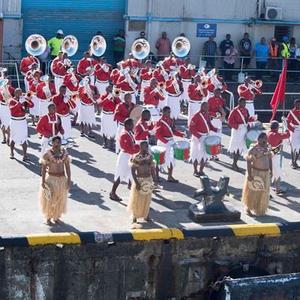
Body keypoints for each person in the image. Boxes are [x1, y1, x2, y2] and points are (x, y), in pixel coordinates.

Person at [40, 136, 71, 225]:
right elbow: (43, 168)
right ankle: (48, 218)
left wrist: (69, 180)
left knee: (60, 199)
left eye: (59, 142)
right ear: (52, 143)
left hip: (62, 179)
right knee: (49, 199)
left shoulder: (64, 153)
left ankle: (56, 217)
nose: (58, 144)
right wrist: (42, 181)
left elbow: (68, 167)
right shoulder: (47, 154)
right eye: (56, 142)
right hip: (51, 179)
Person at [242, 132, 272, 216]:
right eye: (264, 139)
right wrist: (249, 174)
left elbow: (270, 159)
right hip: (256, 173)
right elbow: (248, 162)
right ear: (259, 139)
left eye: (266, 139)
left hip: (265, 173)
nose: (266, 141)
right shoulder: (253, 149)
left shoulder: (268, 148)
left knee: (263, 192)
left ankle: (259, 209)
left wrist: (271, 171)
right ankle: (248, 208)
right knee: (253, 191)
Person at [110, 118, 140, 202]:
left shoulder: (129, 132)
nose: (133, 126)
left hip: (129, 156)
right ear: (127, 125)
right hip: (124, 157)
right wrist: (138, 149)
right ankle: (113, 192)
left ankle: (133, 192)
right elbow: (128, 149)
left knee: (132, 174)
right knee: (120, 175)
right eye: (131, 124)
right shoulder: (124, 135)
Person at [127, 141, 157, 225]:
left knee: (147, 199)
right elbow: (133, 172)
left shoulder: (150, 157)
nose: (146, 148)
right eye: (145, 146)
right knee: (137, 199)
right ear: (140, 147)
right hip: (139, 179)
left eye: (147, 146)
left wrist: (155, 180)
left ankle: (146, 215)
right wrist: (136, 183)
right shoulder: (136, 157)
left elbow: (152, 169)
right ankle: (134, 216)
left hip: (148, 179)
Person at [155, 106, 185, 182]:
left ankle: (170, 176)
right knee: (159, 160)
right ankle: (157, 176)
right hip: (163, 143)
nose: (169, 113)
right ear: (164, 112)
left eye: (170, 112)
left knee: (171, 159)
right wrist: (166, 142)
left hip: (170, 141)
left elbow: (173, 131)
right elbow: (157, 134)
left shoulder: (170, 120)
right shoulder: (159, 121)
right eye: (168, 112)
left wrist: (181, 134)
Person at [189, 102, 218, 176]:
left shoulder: (207, 114)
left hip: (205, 137)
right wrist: (198, 136)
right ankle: (195, 171)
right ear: (202, 107)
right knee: (195, 154)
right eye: (206, 107)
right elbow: (191, 128)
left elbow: (209, 124)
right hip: (197, 138)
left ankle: (201, 170)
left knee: (205, 154)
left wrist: (215, 129)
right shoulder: (196, 116)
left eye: (208, 107)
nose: (207, 108)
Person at [228, 98, 254, 171]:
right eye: (243, 102)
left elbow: (247, 119)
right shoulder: (234, 111)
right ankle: (234, 163)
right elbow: (229, 121)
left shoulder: (246, 110)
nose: (244, 104)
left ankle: (235, 163)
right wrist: (237, 126)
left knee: (242, 146)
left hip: (244, 129)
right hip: (237, 131)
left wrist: (251, 119)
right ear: (239, 103)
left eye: (245, 102)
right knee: (237, 147)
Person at [9, 88, 34, 161]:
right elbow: (12, 109)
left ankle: (25, 155)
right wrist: (19, 103)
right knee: (13, 137)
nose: (20, 94)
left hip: (22, 121)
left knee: (24, 138)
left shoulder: (23, 100)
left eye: (20, 92)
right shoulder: (11, 100)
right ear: (15, 93)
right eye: (18, 93)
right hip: (14, 121)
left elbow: (32, 105)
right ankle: (12, 153)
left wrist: (28, 99)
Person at [267, 120, 290, 194]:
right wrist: (286, 127)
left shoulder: (268, 133)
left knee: (272, 173)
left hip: (269, 156)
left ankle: (275, 189)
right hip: (274, 156)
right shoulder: (276, 134)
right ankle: (276, 189)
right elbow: (287, 135)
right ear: (277, 127)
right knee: (277, 173)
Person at [98, 84, 121, 150]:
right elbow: (99, 104)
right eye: (109, 88)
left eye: (111, 89)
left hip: (112, 115)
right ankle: (105, 143)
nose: (110, 90)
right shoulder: (103, 96)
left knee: (113, 130)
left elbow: (120, 103)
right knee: (104, 128)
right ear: (106, 89)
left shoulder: (115, 96)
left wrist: (115, 96)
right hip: (105, 114)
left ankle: (111, 144)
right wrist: (108, 98)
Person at [207, 88, 226, 160]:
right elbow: (207, 110)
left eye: (219, 92)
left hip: (219, 121)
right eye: (216, 92)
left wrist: (222, 113)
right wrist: (214, 114)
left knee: (218, 137)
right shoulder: (210, 100)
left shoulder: (222, 100)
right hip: (212, 120)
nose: (218, 93)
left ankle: (215, 154)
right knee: (211, 137)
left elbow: (224, 109)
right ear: (214, 92)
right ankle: (210, 153)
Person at [0, 79, 15, 145]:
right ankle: (4, 138)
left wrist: (10, 97)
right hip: (2, 107)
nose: (6, 84)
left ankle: (9, 138)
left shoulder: (12, 89)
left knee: (9, 124)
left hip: (9, 107)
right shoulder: (0, 89)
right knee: (3, 123)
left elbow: (15, 97)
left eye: (7, 82)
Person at [287, 99, 300, 169]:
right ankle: (292, 162)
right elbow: (288, 122)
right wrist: (292, 129)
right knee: (293, 146)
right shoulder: (292, 112)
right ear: (295, 104)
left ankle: (295, 161)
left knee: (299, 147)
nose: (299, 105)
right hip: (295, 130)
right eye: (297, 104)